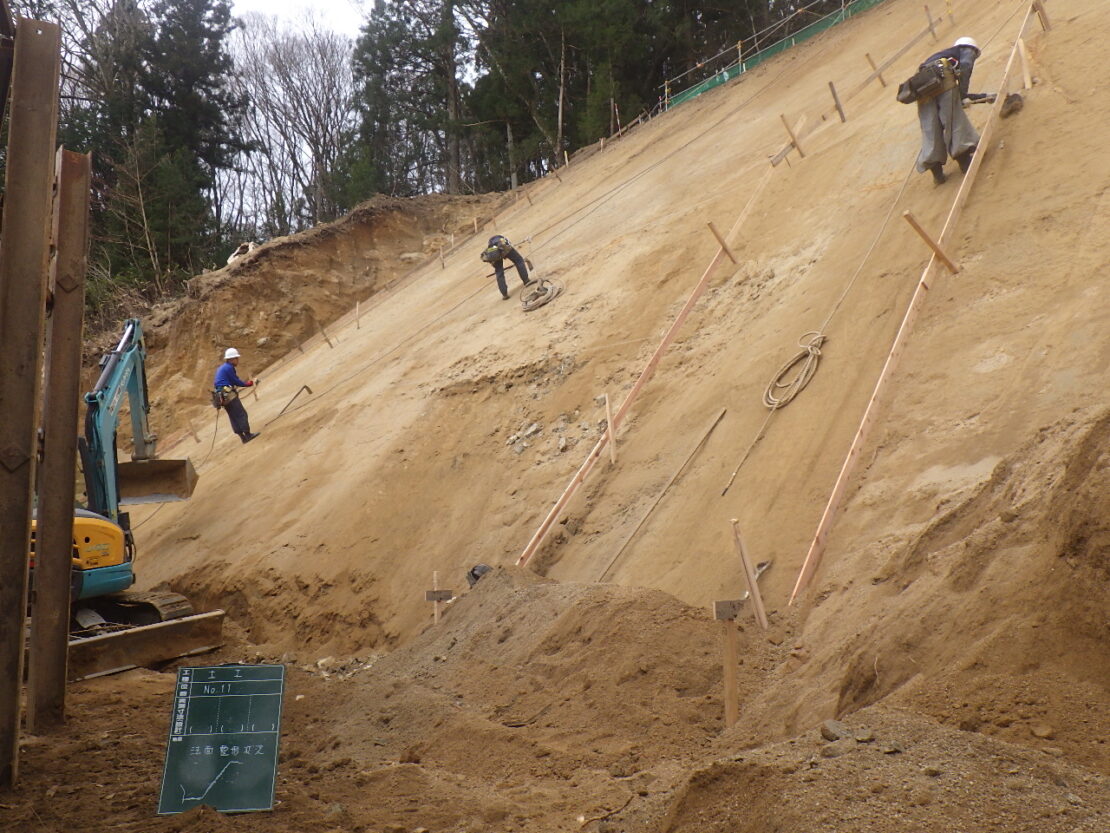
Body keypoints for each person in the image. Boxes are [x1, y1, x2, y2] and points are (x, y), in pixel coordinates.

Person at [915, 36, 993, 185]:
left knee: (931, 127)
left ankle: (936, 172)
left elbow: (955, 92)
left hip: (921, 83)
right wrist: (963, 96)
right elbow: (966, 65)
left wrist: (977, 96)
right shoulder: (966, 50)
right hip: (942, 77)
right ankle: (964, 161)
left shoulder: (943, 55)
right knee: (953, 119)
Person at [213, 347, 259, 443]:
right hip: (229, 395)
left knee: (233, 416)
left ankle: (242, 438)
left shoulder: (222, 368)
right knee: (241, 414)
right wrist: (249, 384)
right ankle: (248, 435)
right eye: (236, 358)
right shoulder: (229, 368)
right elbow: (236, 381)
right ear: (231, 359)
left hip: (222, 396)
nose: (238, 360)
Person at [480, 235, 533, 300]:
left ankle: (504, 294)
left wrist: (494, 263)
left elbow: (488, 258)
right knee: (519, 261)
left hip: (495, 254)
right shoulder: (503, 240)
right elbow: (508, 246)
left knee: (499, 272)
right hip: (504, 248)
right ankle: (526, 281)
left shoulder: (490, 249)